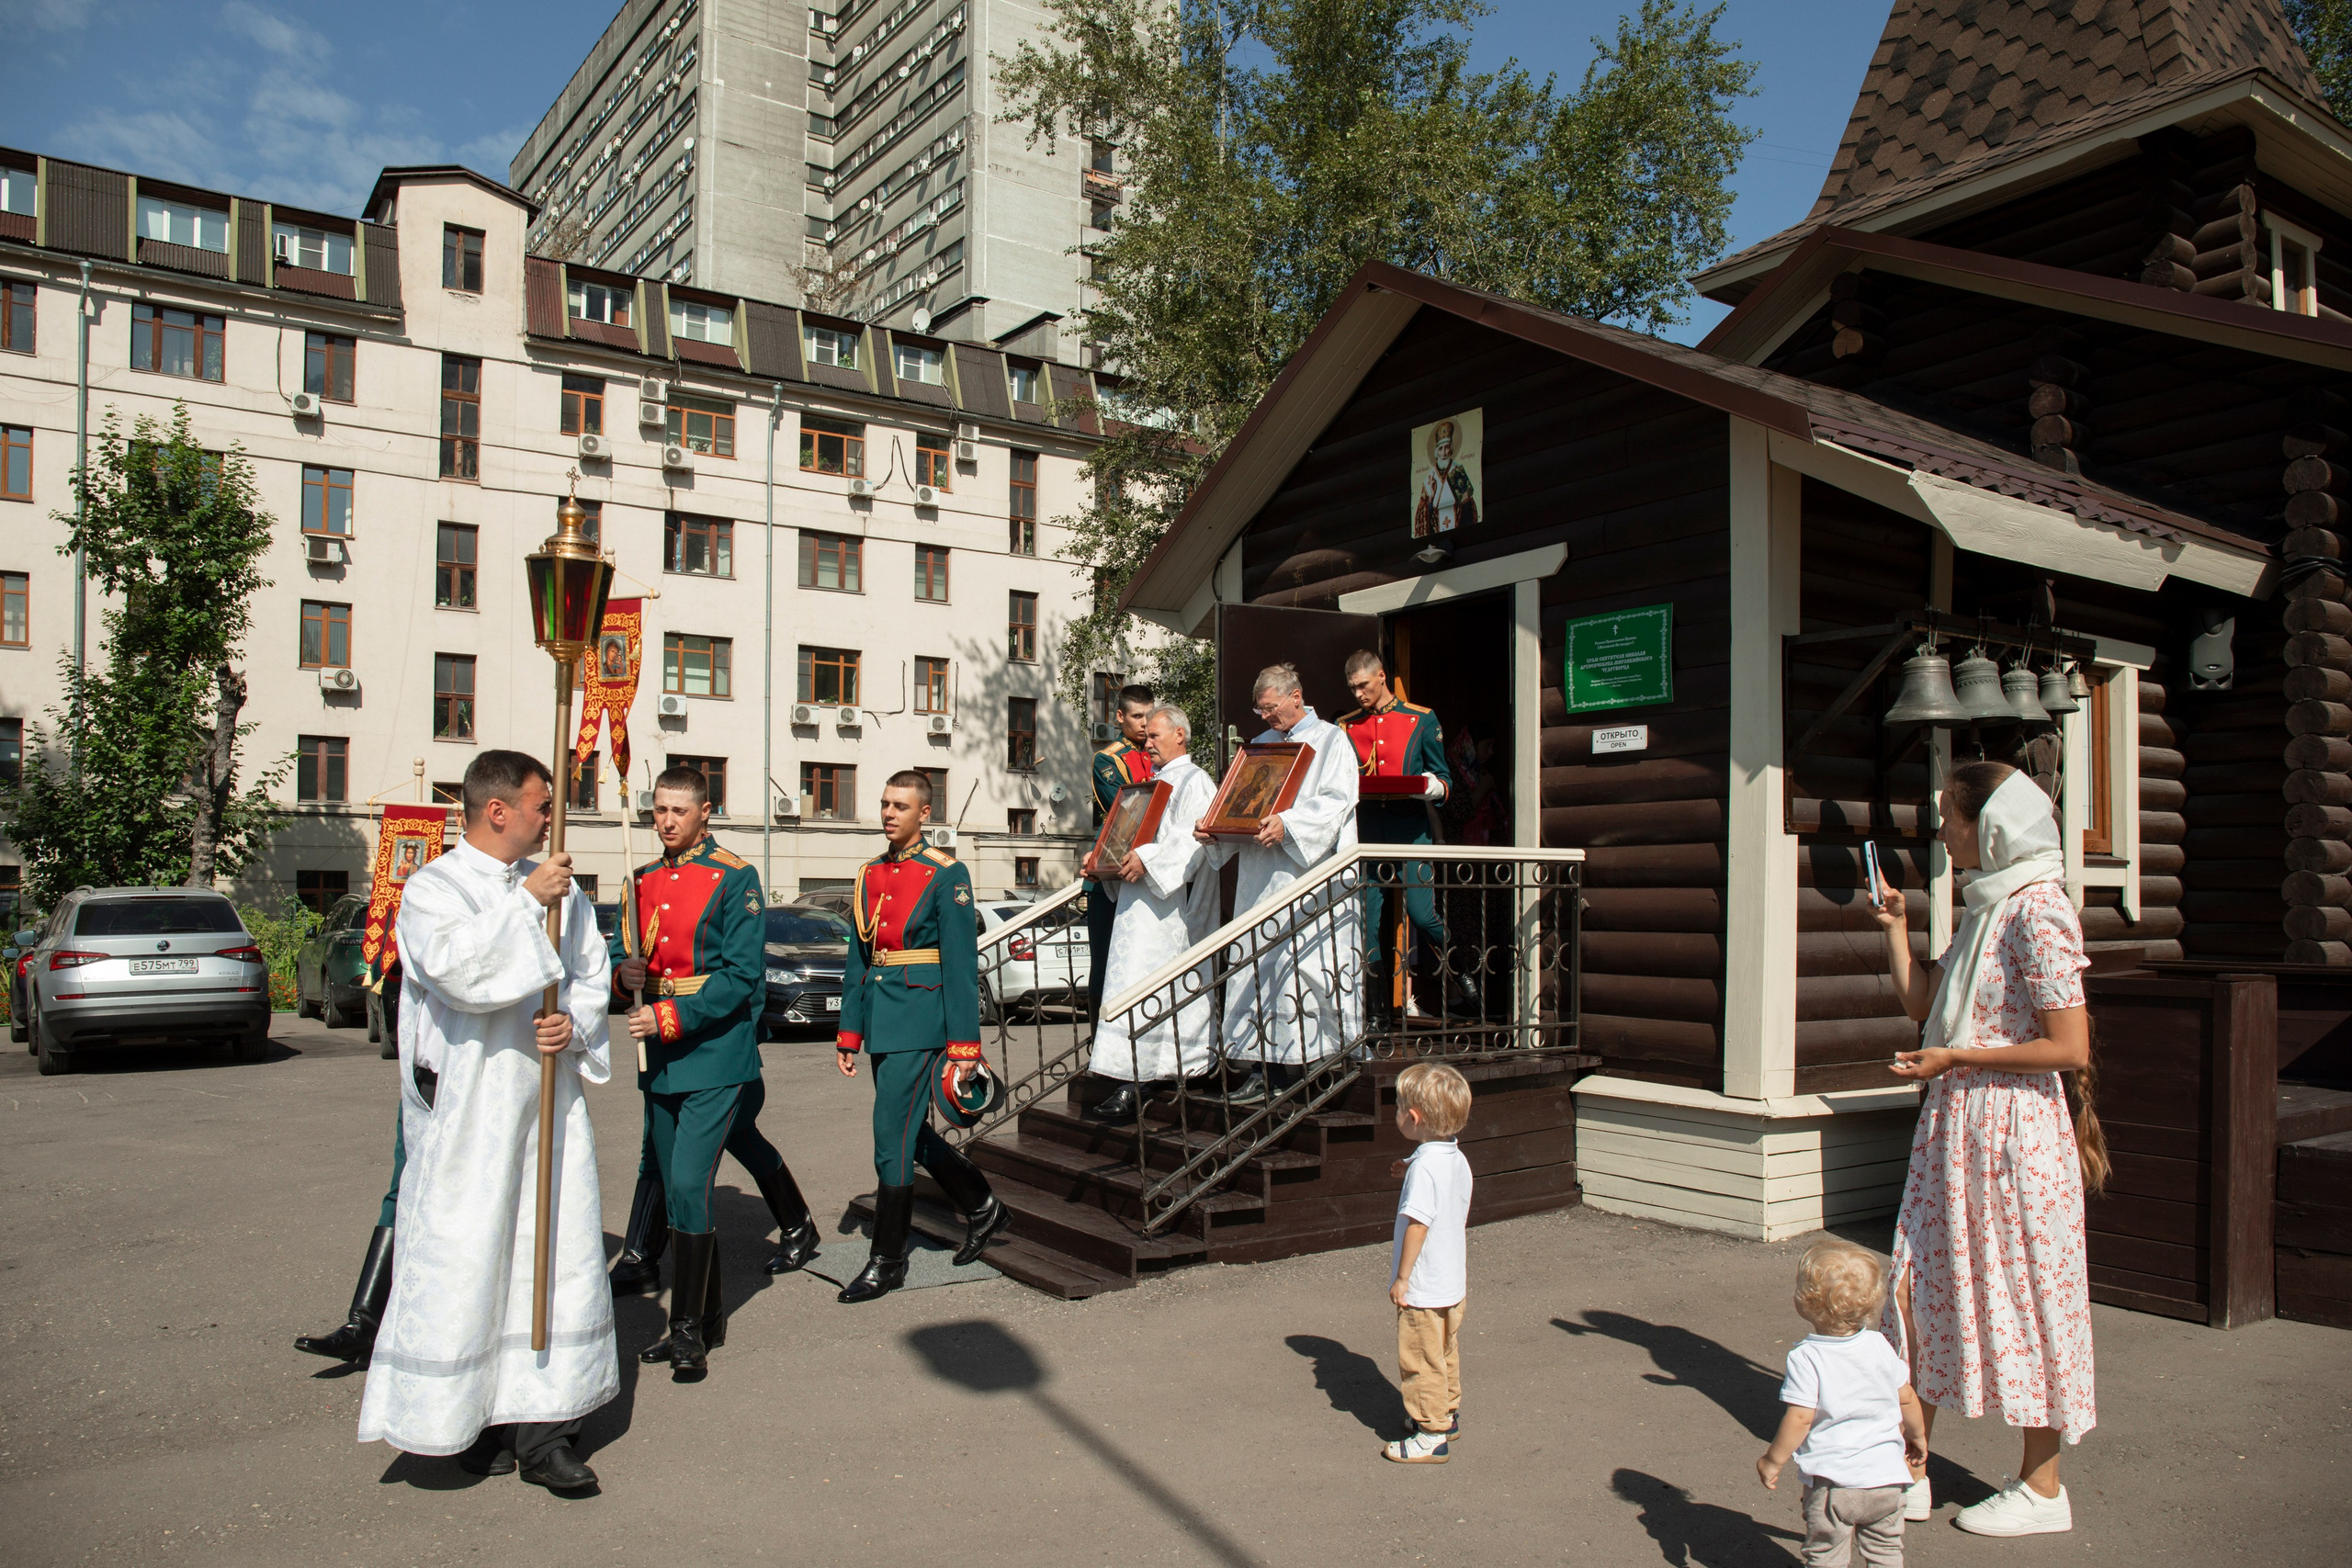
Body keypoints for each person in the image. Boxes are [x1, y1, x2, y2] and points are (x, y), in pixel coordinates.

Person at [356, 750, 614, 1493]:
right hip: (472, 1106)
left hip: (546, 1100)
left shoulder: (563, 889)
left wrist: (572, 1021)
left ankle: (546, 1430)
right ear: (497, 809)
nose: (549, 815)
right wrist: (527, 903)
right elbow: (457, 972)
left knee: (551, 1254)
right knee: (471, 1256)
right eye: (540, 803)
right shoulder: (435, 887)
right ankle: (467, 1415)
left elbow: (590, 972)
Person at [1868, 760, 2106, 1538]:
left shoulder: (2038, 908)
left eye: (1949, 815)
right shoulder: (1982, 904)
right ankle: (1910, 1465)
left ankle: (2044, 1488)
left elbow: (2070, 1046)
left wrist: (1960, 1058)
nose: (1940, 829)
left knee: (2024, 1293)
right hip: (1956, 1126)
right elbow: (1923, 1003)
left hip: (2013, 1136)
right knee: (1921, 1283)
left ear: (1990, 825)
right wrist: (1897, 928)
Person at [611, 765, 820, 1375]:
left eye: (679, 810)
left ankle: (687, 1331)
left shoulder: (735, 878)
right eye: (660, 810)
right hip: (662, 1058)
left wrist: (670, 1017)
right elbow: (632, 963)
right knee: (675, 1184)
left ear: (705, 811)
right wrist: (622, 979)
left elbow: (740, 978)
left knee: (686, 1183)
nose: (667, 821)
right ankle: (706, 1318)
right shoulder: (640, 877)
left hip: (714, 1052)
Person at [834, 771, 1008, 1301]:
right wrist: (849, 1031)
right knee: (909, 1131)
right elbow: (859, 957)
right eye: (885, 804)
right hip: (884, 1019)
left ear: (923, 814)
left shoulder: (946, 874)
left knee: (890, 1137)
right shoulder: (869, 873)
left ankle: (886, 1261)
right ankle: (982, 1204)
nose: (888, 813)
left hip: (921, 1016)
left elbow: (959, 966)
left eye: (900, 806)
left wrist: (965, 1048)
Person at [1198, 662, 1362, 1106]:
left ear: (1296, 696)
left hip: (1303, 877)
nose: (1266, 717)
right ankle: (1259, 1064)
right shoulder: (1262, 746)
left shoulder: (1331, 740)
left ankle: (1308, 1063)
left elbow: (1337, 801)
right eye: (1260, 710)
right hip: (1258, 876)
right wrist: (1216, 827)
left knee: (1298, 967)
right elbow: (1241, 801)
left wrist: (1288, 825)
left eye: (1271, 708)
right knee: (1256, 963)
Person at [1082, 705, 1221, 1122]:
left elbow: (1193, 840)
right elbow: (1125, 834)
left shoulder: (1196, 781)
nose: (1147, 742)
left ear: (1180, 735)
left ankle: (1152, 1075)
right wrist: (1101, 856)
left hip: (1169, 910)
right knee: (1133, 982)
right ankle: (1130, 1069)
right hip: (1137, 905)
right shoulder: (1148, 785)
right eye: (1146, 737)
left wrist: (1148, 860)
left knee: (1158, 984)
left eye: (1155, 736)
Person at [1758, 1242, 1928, 1567]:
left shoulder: (1807, 1357)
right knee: (1886, 1551)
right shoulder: (1879, 1345)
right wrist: (1917, 1437)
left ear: (1804, 1303)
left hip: (1835, 1484)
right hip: (1887, 1480)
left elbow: (1800, 1418)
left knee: (1826, 1554)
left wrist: (1773, 1459)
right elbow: (1906, 1396)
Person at [1338, 649, 1461, 1024]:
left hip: (1410, 829)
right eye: (1352, 688)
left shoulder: (1421, 718)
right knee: (1369, 919)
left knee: (1422, 915)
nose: (1358, 694)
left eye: (1364, 685)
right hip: (1370, 828)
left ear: (1381, 676)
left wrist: (1429, 786)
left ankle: (1463, 972)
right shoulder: (1346, 726)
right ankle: (1376, 1012)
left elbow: (1445, 780)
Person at [1382, 1062, 1472, 1464]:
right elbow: (1438, 1185)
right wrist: (1409, 1165)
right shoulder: (1453, 1158)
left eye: (1398, 1105)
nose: (1396, 1111)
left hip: (1423, 1286)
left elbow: (1417, 1224)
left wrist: (1403, 1278)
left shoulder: (1424, 1169)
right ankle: (1446, 1412)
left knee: (1419, 1357)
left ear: (1413, 1117)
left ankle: (1430, 1433)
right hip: (1452, 1282)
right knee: (1445, 1350)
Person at [1088, 683, 1157, 1020]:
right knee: (1105, 962)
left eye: (1149, 715)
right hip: (1111, 867)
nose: (1144, 724)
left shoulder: (1159, 753)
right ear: (1120, 717)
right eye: (1137, 716)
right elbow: (1126, 807)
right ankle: (1099, 1040)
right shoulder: (1108, 758)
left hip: (1148, 867)